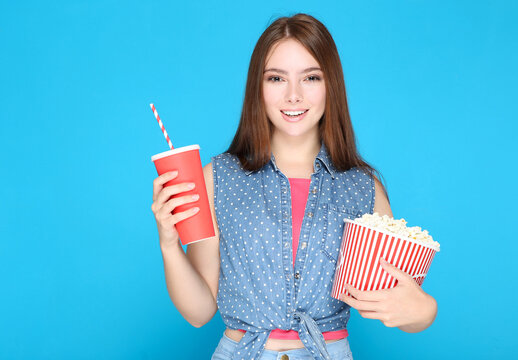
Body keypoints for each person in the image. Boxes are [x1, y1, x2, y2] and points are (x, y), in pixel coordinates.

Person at [151, 13, 438, 360]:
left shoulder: (363, 188)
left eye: (311, 77)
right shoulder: (218, 178)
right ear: (258, 86)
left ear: (330, 84)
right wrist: (169, 244)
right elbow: (198, 313)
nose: (293, 95)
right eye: (276, 78)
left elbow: (395, 300)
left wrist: (424, 312)